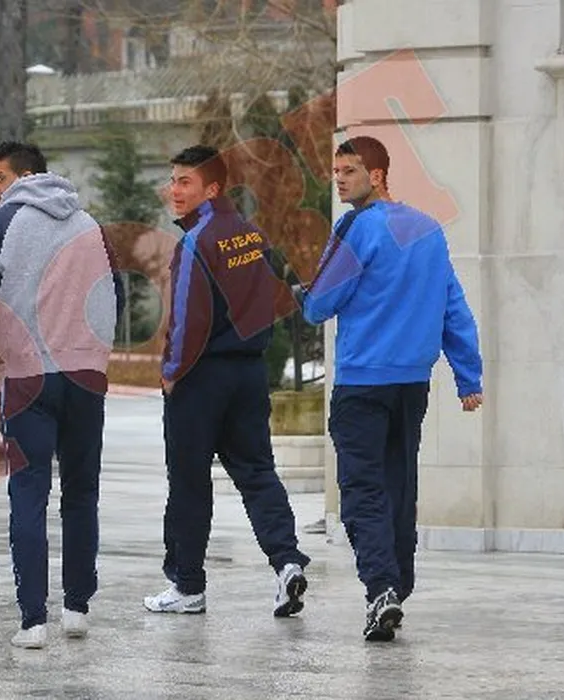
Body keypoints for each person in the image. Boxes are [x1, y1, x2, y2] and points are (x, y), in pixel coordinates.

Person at [296, 135, 483, 642]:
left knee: (361, 490)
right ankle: (397, 584)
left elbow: (321, 305)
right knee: (399, 486)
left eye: (349, 171)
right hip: (411, 386)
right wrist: (468, 376)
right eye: (336, 171)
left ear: (376, 175)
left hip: (363, 384)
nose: (339, 180)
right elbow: (453, 305)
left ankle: (381, 588)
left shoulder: (357, 228)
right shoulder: (427, 229)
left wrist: (305, 295)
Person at [143, 145, 311, 619]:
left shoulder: (197, 241)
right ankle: (287, 561)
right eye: (173, 180)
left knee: (189, 482)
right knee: (257, 472)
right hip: (249, 373)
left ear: (212, 189)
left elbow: (187, 318)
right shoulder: (253, 236)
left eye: (185, 182)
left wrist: (172, 372)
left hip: (202, 379)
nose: (174, 190)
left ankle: (187, 585)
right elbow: (276, 295)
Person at [0, 141, 125, 649]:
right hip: (86, 375)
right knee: (82, 492)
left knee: (29, 493)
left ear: (24, 176)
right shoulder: (89, 224)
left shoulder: (6, 222)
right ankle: (77, 608)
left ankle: (33, 621)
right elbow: (117, 293)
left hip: (29, 375)